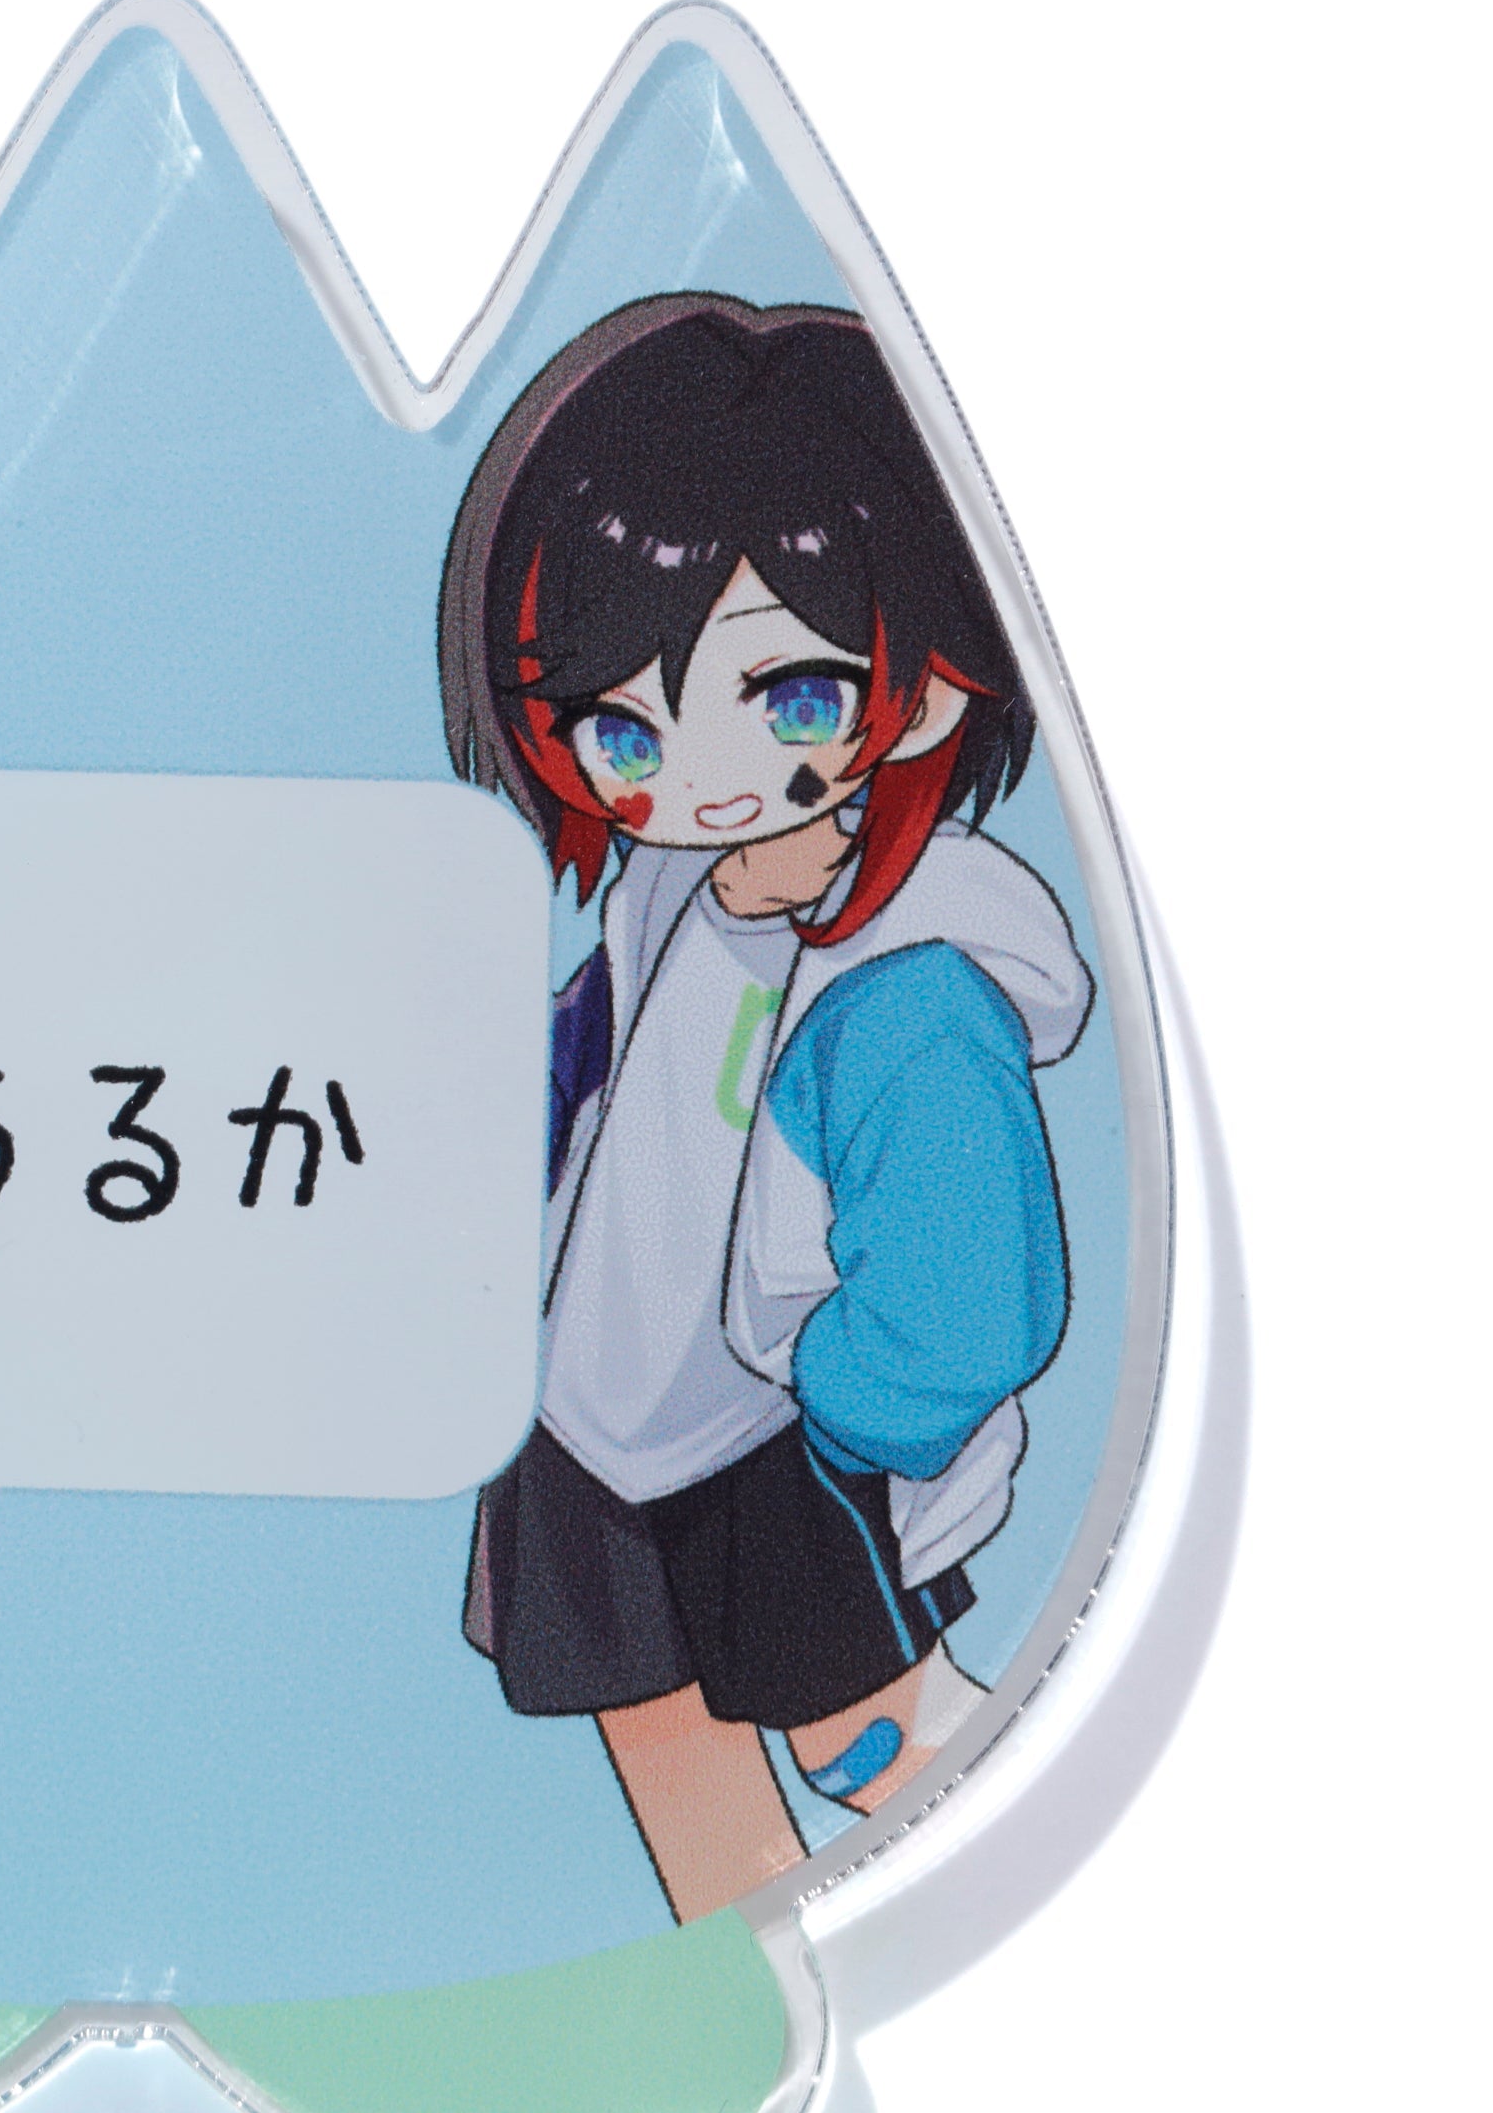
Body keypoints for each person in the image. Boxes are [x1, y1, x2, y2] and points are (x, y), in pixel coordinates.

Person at [438, 292, 1091, 1923]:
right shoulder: (675, 881)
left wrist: (845, 1414)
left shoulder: (913, 986)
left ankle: (1005, 1946)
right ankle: (740, 2001)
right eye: (622, 728)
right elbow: (608, 1055)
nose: (698, 774)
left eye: (791, 699)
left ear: (926, 692)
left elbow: (971, 1292)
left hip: (772, 1447)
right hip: (587, 1410)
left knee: (872, 1740)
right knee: (664, 1749)